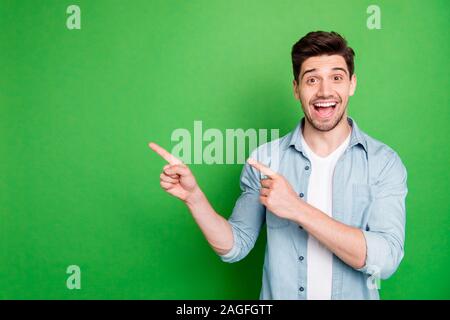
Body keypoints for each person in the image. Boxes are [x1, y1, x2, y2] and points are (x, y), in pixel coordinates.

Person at [149, 31, 407, 300]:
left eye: (337, 77)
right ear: (296, 89)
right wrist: (194, 198)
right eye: (312, 79)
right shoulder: (266, 160)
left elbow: (386, 259)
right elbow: (235, 245)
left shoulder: (383, 163)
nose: (325, 91)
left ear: (352, 84)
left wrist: (296, 208)